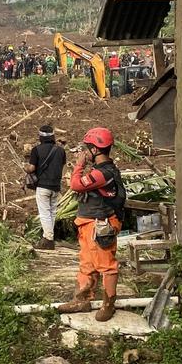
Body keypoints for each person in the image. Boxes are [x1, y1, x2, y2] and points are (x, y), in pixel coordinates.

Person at [58, 127, 125, 322]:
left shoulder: (104, 173)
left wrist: (79, 165)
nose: (84, 153)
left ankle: (108, 304)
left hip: (100, 226)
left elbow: (75, 185)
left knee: (106, 265)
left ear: (95, 150)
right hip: (89, 224)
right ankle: (82, 300)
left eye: (86, 149)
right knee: (87, 264)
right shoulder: (100, 171)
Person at [24, 125, 66, 250]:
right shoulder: (61, 150)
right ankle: (48, 237)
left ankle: (48, 240)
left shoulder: (36, 150)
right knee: (52, 212)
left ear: (40, 137)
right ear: (53, 136)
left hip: (43, 187)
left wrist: (25, 167)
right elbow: (62, 166)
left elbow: (31, 168)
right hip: (56, 186)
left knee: (44, 213)